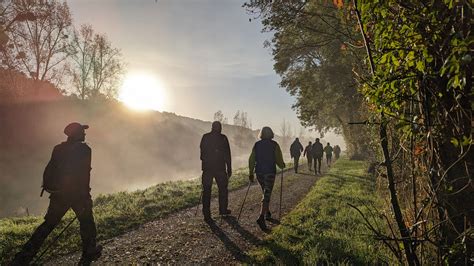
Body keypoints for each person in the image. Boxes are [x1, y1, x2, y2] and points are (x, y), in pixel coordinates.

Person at [11, 122, 102, 266]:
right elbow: (84, 175)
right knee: (87, 222)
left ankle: (22, 258)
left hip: (59, 195)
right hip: (78, 195)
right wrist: (86, 197)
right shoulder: (85, 150)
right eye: (82, 131)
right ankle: (89, 252)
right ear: (76, 134)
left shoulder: (58, 149)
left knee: (48, 225)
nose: (85, 134)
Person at [248, 127, 285, 231]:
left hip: (259, 172)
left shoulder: (257, 144)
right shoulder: (274, 145)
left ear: (262, 134)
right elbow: (279, 160)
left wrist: (251, 173)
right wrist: (282, 165)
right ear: (271, 134)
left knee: (265, 192)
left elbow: (251, 159)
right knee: (267, 193)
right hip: (269, 172)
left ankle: (267, 212)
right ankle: (261, 217)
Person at [199, 121, 232, 223]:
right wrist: (229, 168)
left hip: (207, 169)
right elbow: (227, 154)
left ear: (212, 127)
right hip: (220, 168)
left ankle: (206, 214)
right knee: (222, 189)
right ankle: (223, 210)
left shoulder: (205, 137)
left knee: (207, 191)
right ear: (220, 128)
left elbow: (202, 154)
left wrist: (205, 161)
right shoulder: (223, 138)